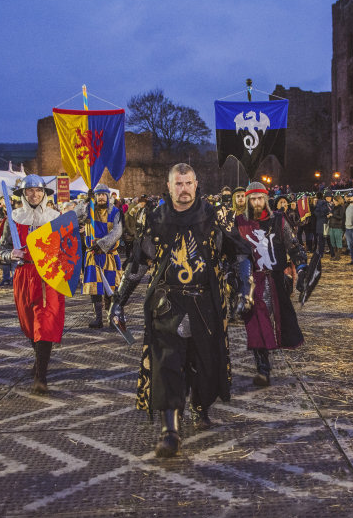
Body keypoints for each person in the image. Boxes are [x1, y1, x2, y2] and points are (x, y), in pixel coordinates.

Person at [108, 163, 253, 458]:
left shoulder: (215, 216)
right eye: (179, 184)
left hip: (206, 304)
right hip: (167, 305)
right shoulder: (155, 218)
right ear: (170, 185)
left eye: (189, 183)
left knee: (205, 364)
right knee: (167, 366)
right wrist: (118, 301)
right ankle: (170, 431)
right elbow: (136, 264)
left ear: (196, 184)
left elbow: (238, 252)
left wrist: (245, 291)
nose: (184, 189)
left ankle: (201, 407)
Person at [0, 175, 64, 394]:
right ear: (23, 195)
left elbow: (67, 249)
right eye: (30, 191)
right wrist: (11, 254)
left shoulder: (56, 217)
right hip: (24, 276)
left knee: (45, 325)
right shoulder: (13, 219)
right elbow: (0, 251)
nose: (34, 195)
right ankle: (39, 359)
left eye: (38, 191)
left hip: (49, 277)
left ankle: (40, 376)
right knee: (29, 325)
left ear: (45, 194)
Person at [237, 182, 307, 387]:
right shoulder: (240, 222)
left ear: (266, 199)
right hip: (252, 280)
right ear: (248, 200)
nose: (257, 202)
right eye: (253, 198)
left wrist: (301, 269)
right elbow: (236, 253)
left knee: (281, 322)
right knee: (256, 324)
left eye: (260, 198)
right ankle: (263, 369)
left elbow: (293, 245)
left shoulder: (278, 219)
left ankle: (269, 360)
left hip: (276, 278)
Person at [83, 184, 123, 329]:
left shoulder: (115, 212)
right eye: (98, 195)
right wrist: (85, 202)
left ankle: (112, 318)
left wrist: (101, 244)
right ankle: (98, 318)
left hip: (108, 255)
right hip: (92, 256)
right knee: (95, 289)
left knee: (111, 288)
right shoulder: (88, 210)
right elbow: (74, 215)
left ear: (108, 196)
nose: (100, 197)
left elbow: (117, 233)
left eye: (103, 195)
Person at [123, 195, 147, 259]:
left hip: (133, 234)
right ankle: (128, 260)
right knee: (129, 249)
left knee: (133, 249)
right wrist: (132, 232)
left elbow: (135, 223)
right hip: (129, 235)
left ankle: (130, 259)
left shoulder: (133, 215)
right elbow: (126, 226)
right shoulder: (127, 215)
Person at [328, 195, 346, 260]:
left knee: (338, 241)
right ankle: (335, 255)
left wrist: (333, 215)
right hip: (332, 226)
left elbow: (341, 217)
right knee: (333, 241)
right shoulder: (334, 207)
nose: (333, 202)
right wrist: (329, 216)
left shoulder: (341, 207)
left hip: (338, 226)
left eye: (334, 200)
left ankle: (338, 256)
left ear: (338, 201)